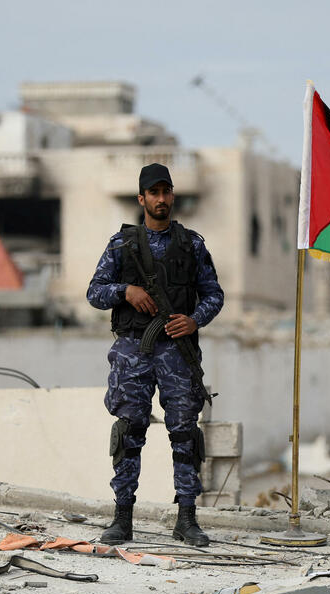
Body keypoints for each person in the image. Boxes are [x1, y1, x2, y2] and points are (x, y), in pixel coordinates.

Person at [86, 163, 224, 546]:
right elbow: (95, 292)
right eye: (154, 192)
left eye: (167, 191)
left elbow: (214, 294)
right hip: (134, 350)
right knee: (130, 431)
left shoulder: (191, 244)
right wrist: (126, 292)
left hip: (178, 352)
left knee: (184, 432)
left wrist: (194, 321)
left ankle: (187, 519)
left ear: (172, 196)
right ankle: (122, 518)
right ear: (141, 199)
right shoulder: (121, 245)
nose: (161, 199)